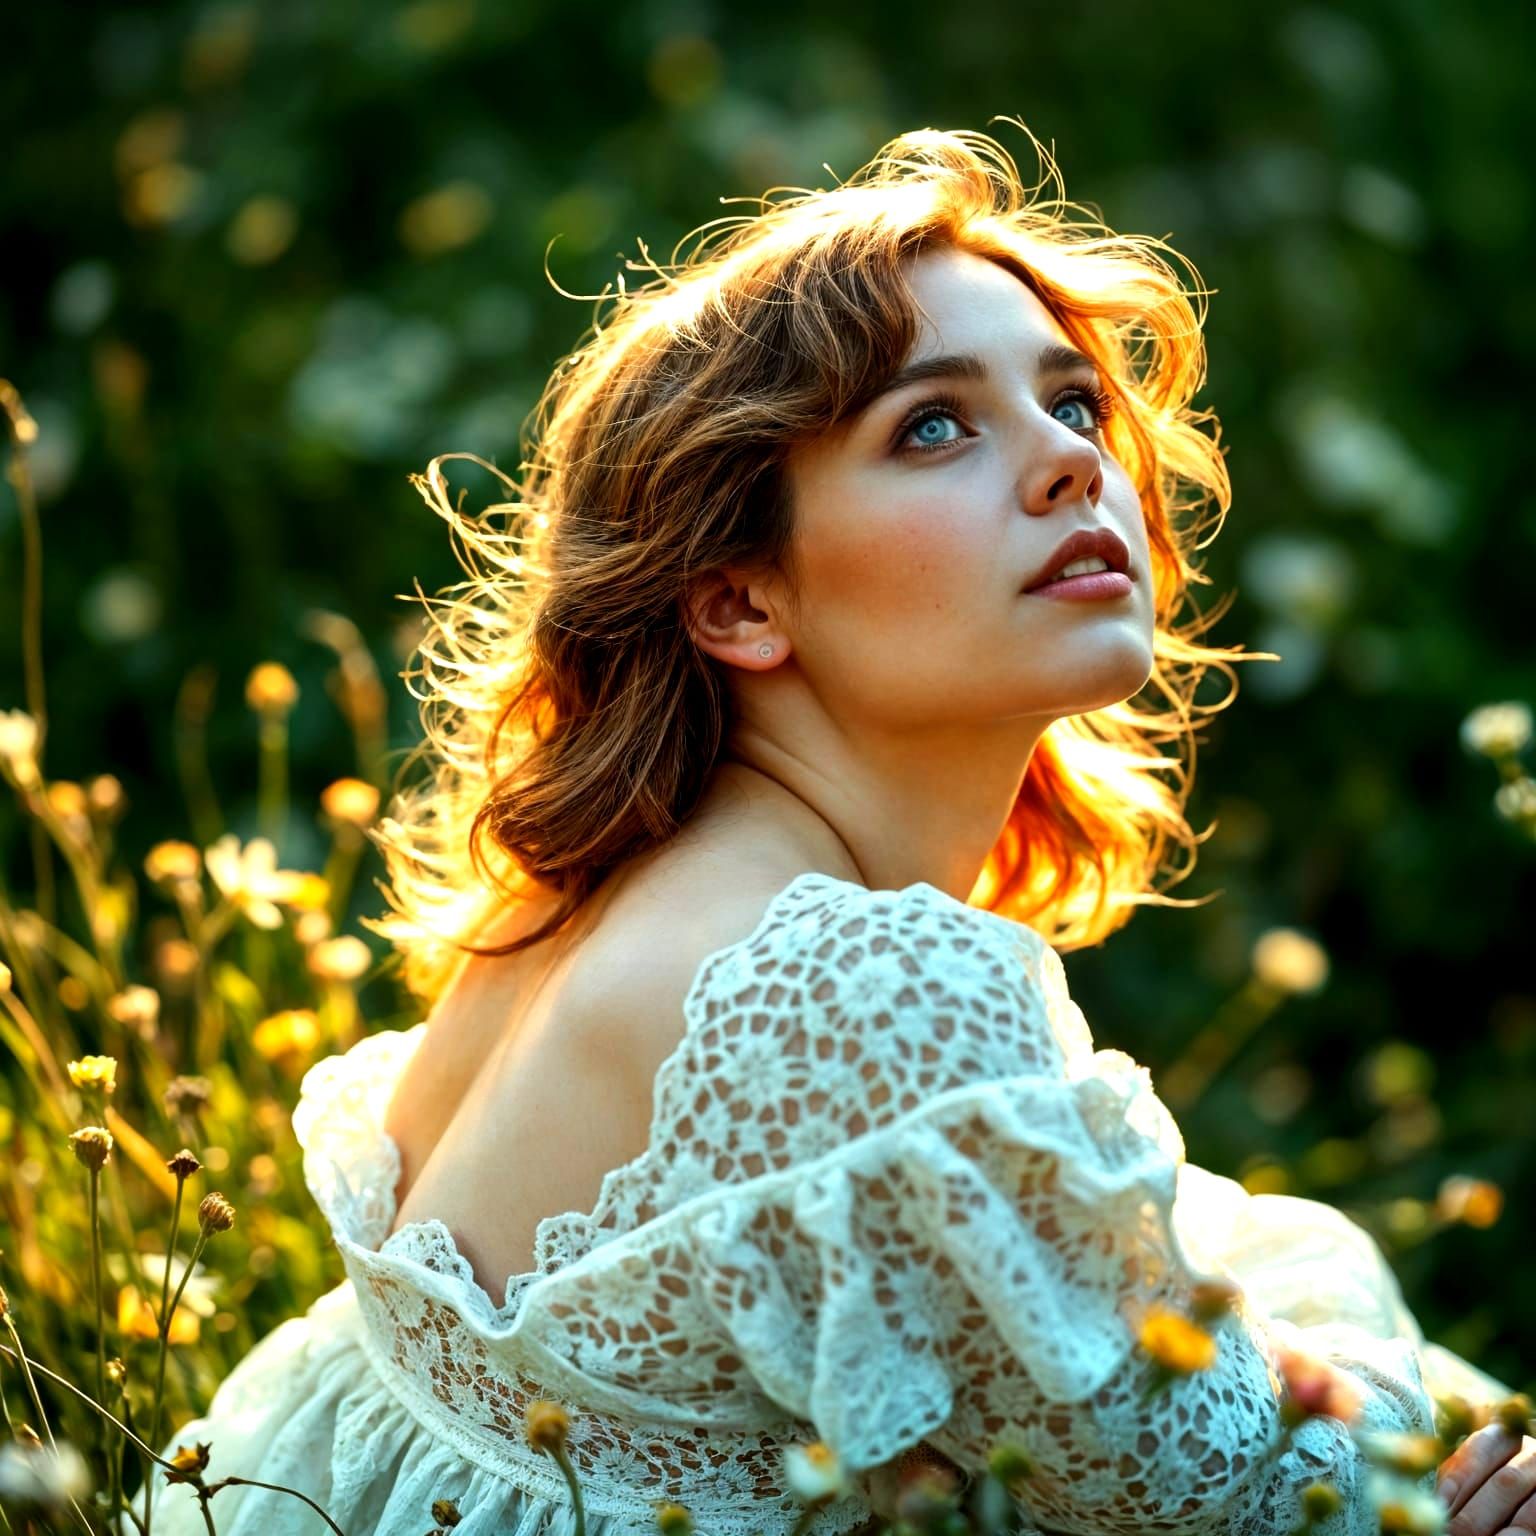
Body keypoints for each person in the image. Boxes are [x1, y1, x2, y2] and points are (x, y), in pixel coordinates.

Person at [134, 121, 1520, 1536]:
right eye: (934, 426)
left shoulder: (599, 897)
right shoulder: (843, 985)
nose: (1068, 466)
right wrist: (1405, 1393)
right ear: (739, 600)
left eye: (1075, 406)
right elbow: (1247, 1497)